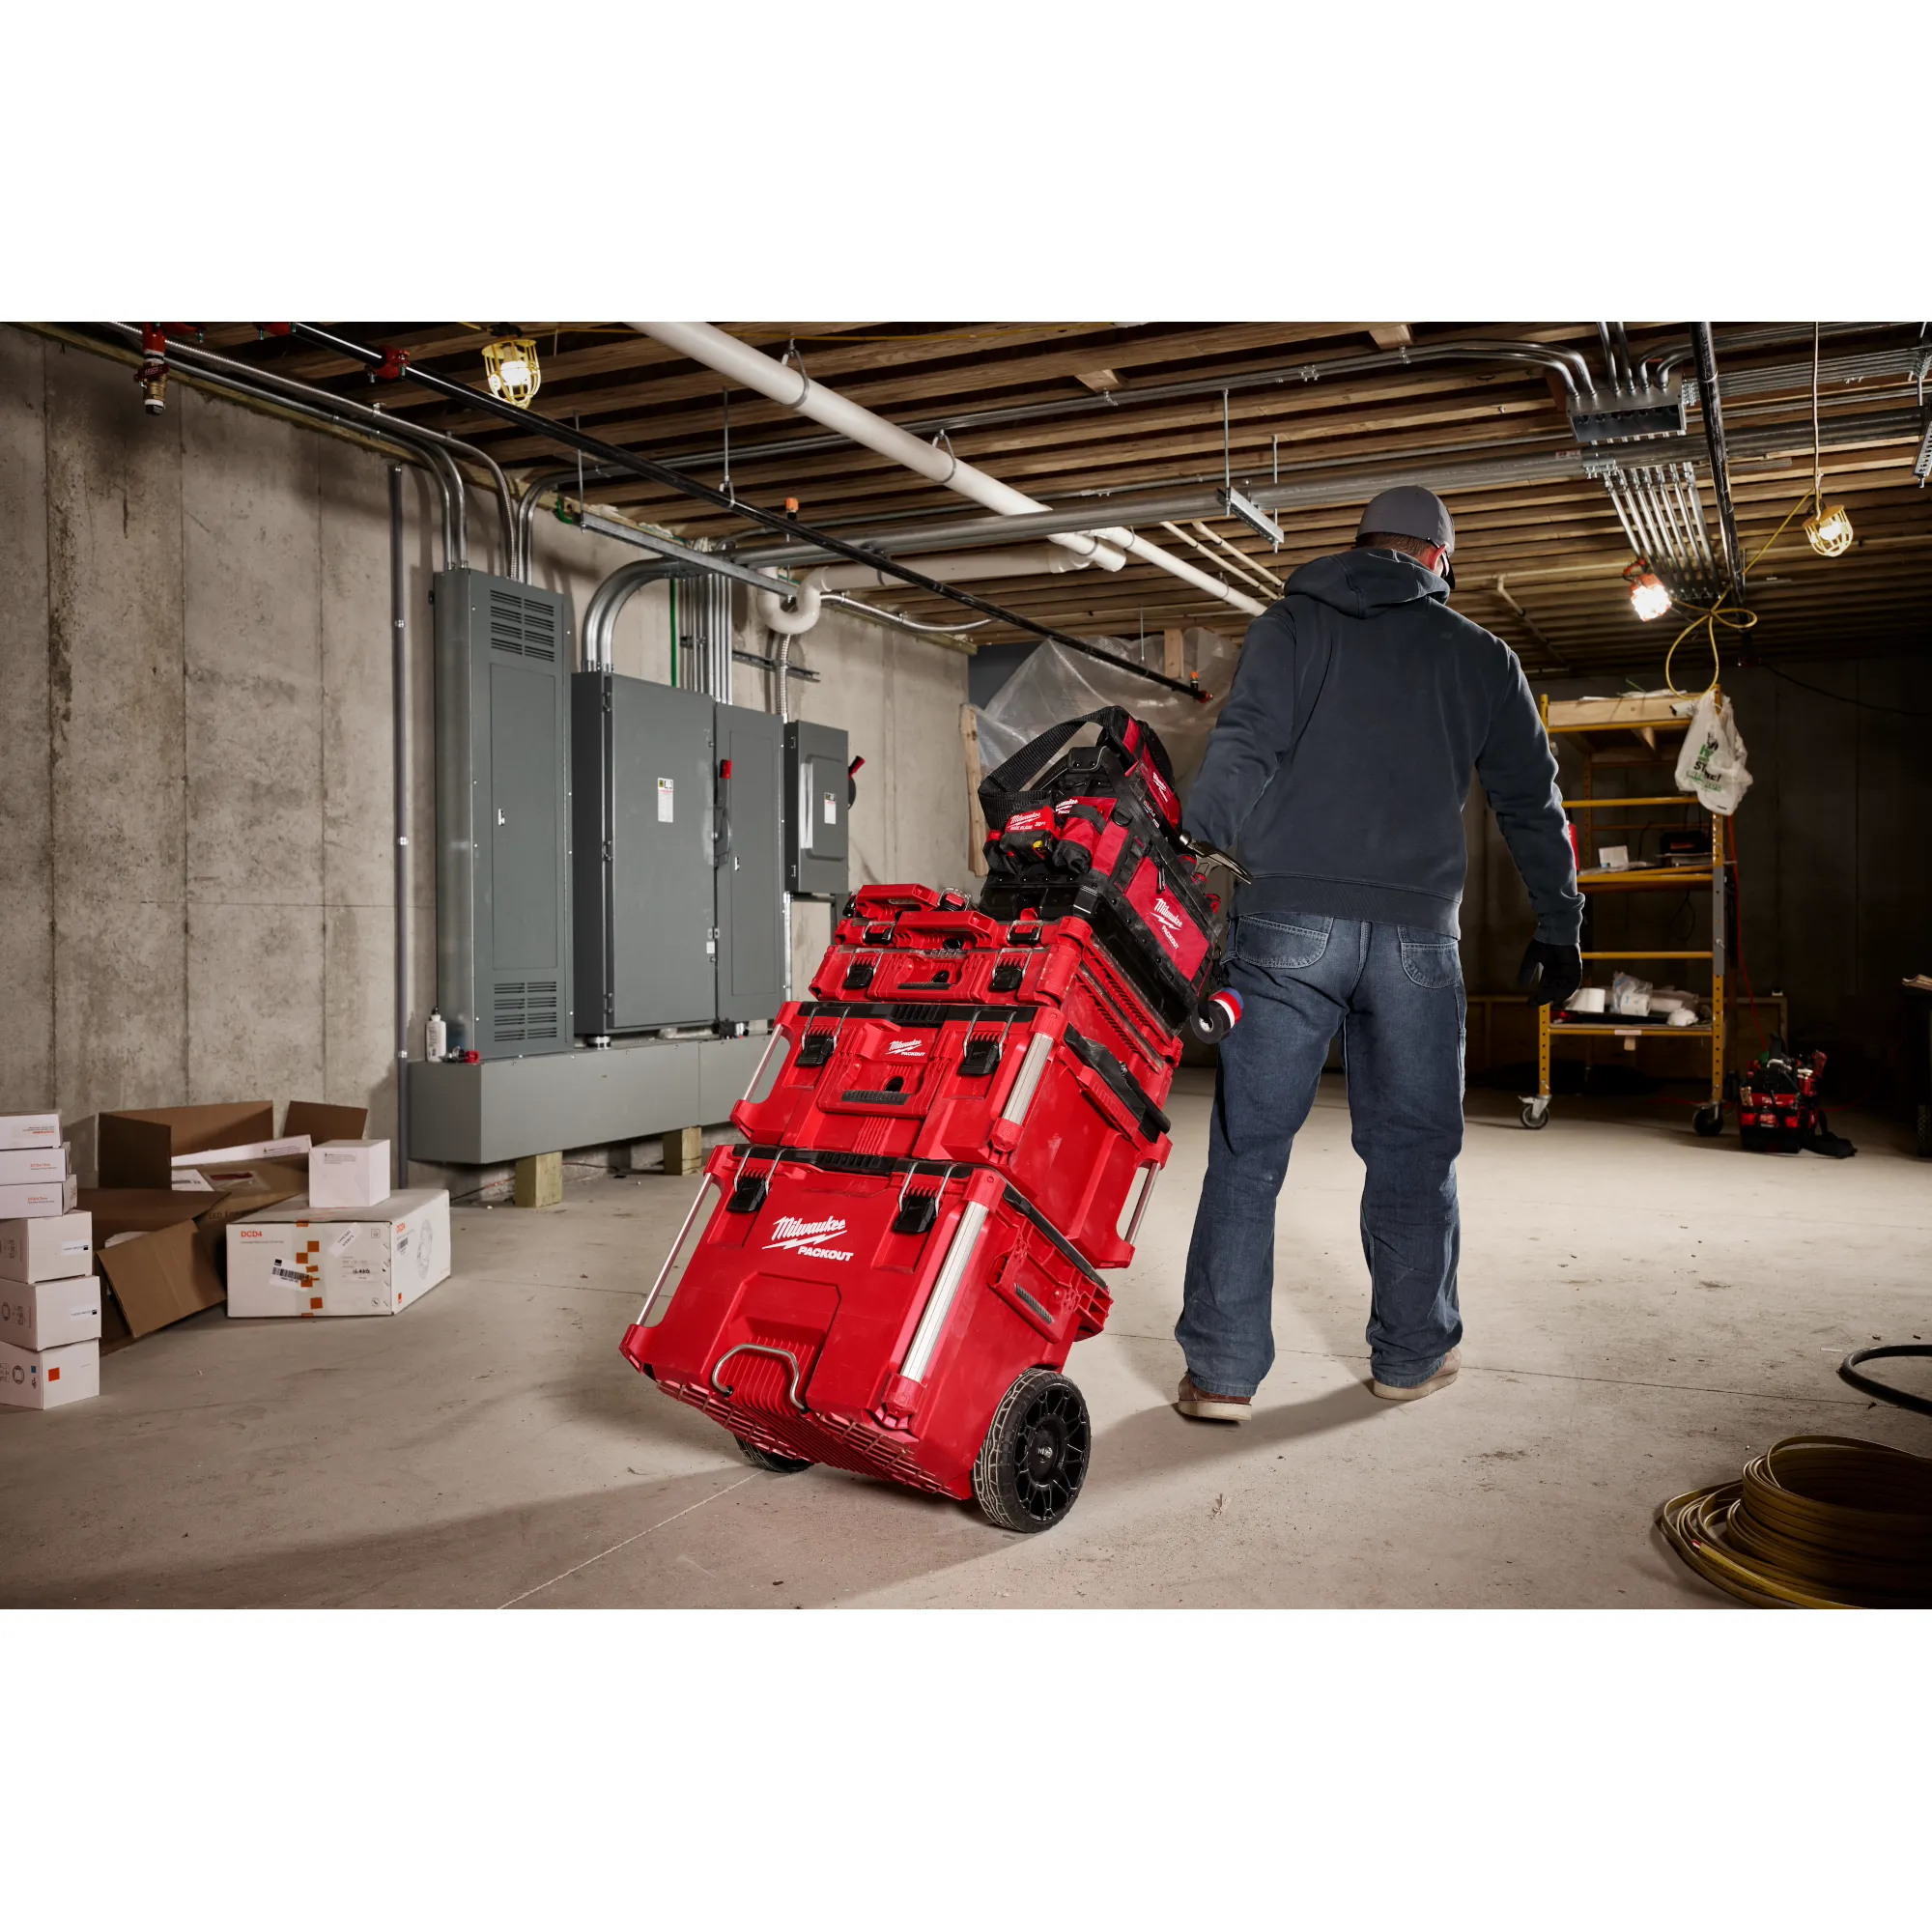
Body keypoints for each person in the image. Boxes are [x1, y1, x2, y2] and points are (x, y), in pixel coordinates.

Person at [1173, 484, 1582, 1418]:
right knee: (1413, 1155)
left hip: (1286, 928)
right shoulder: (1481, 655)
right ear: (1439, 561)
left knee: (1249, 1152)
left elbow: (1244, 746)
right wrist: (1561, 922)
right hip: (1415, 941)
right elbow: (1533, 801)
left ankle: (1224, 1375)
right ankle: (1409, 1356)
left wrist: (1192, 856)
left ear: (1360, 547)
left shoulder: (1291, 624)